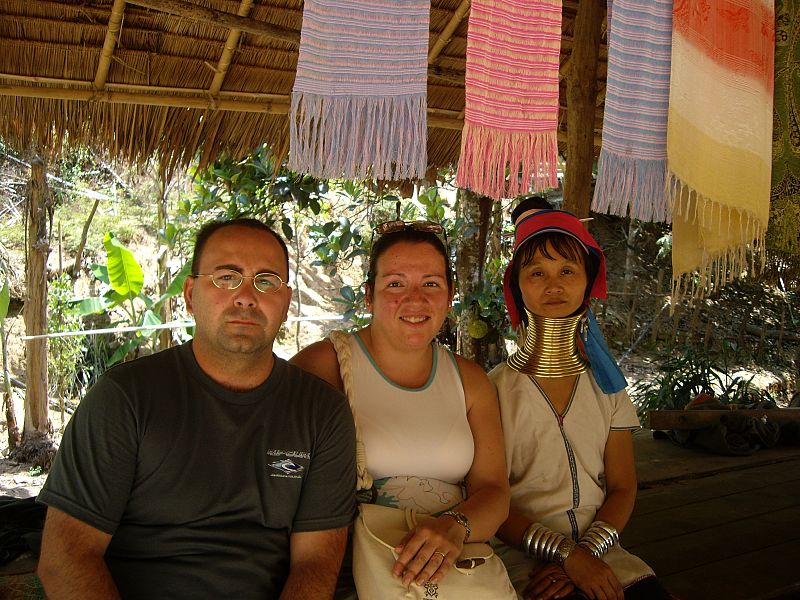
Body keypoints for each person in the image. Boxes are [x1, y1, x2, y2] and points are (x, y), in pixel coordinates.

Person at [36, 218, 357, 599]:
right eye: (226, 277)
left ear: (286, 303)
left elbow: (316, 564)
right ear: (190, 294)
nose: (246, 296)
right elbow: (65, 558)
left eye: (266, 281)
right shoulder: (125, 398)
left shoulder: (322, 412)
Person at [290, 216, 511, 594]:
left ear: (449, 294)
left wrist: (454, 528)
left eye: (431, 284)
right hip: (354, 569)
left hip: (456, 565)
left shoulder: (469, 379)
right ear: (369, 295)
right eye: (395, 284)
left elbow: (494, 492)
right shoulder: (324, 366)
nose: (416, 299)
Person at [491, 201, 673, 600]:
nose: (553, 285)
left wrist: (586, 555)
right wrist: (566, 558)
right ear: (516, 286)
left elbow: (623, 487)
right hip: (523, 559)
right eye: (536, 272)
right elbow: (490, 497)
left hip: (606, 554)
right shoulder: (492, 392)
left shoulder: (607, 386)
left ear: (588, 282)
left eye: (567, 271)